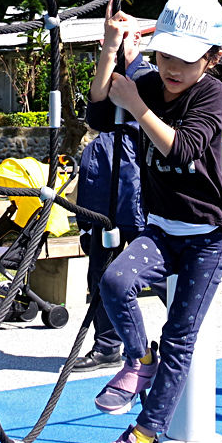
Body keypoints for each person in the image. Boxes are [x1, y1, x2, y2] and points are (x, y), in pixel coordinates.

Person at [69, 0, 222, 443]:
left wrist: (139, 106)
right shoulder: (148, 81)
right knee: (115, 281)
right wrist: (109, 48)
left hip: (207, 239)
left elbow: (185, 149)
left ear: (210, 59)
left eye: (186, 60)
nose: (171, 67)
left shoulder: (209, 93)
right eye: (165, 54)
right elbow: (99, 114)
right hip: (163, 230)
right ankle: (139, 359)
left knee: (180, 339)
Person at [70, 33, 153, 373]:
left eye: (125, 37)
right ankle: (107, 346)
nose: (118, 45)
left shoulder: (149, 77)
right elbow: (96, 106)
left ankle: (175, 342)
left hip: (135, 189)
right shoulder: (107, 72)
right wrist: (108, 50)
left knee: (152, 271)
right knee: (100, 269)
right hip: (105, 189)